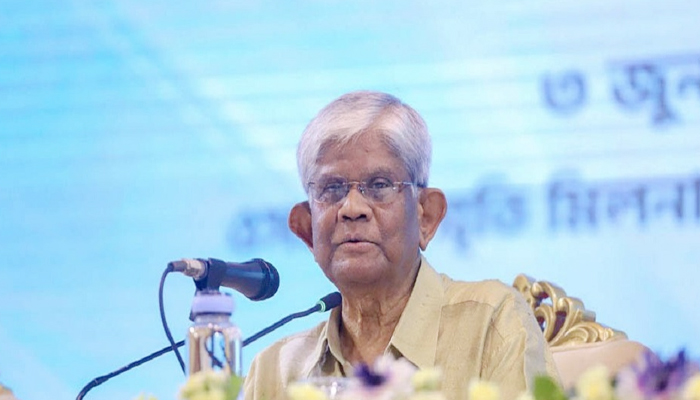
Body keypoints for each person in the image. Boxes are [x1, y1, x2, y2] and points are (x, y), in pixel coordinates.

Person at [243, 90, 559, 400]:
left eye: (379, 185)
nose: (352, 208)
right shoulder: (274, 370)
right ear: (307, 231)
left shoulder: (493, 323)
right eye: (332, 188)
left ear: (426, 217)